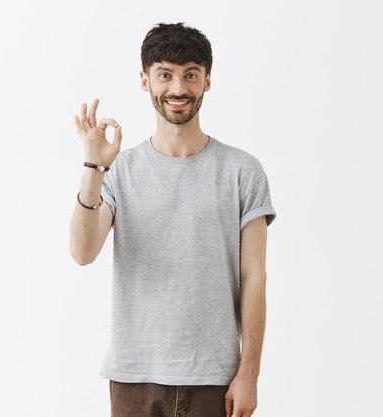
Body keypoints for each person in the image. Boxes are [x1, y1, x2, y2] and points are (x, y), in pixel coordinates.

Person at [70, 22, 276, 417]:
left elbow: (255, 278)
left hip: (216, 379)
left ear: (207, 81)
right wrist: (93, 165)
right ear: (145, 80)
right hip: (134, 378)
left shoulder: (242, 171)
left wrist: (249, 375)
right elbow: (82, 252)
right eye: (165, 74)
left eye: (190, 74)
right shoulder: (121, 170)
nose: (178, 88)